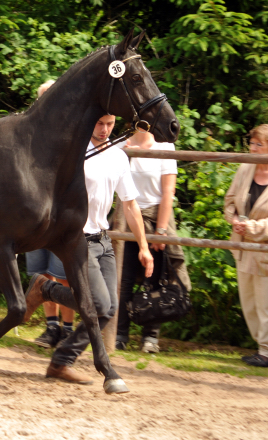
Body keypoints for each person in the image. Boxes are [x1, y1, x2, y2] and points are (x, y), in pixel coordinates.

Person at [23, 114, 154, 385]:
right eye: (99, 124)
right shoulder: (74, 151)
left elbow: (129, 204)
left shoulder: (118, 157)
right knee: (98, 304)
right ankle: (46, 292)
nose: (105, 130)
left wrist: (143, 245)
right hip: (76, 238)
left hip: (103, 239)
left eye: (110, 124)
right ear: (89, 121)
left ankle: (60, 360)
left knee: (108, 309)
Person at [115, 126, 191, 353]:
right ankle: (119, 333)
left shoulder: (164, 146)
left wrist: (161, 230)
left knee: (156, 279)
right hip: (128, 216)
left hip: (157, 216)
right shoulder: (121, 146)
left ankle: (150, 337)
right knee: (124, 279)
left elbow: (168, 192)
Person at [26, 80, 76, 349]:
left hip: (60, 217)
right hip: (34, 215)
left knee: (65, 275)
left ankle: (68, 331)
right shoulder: (30, 135)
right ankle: (51, 328)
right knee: (42, 274)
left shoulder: (72, 135)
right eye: (43, 98)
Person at [224, 124, 268, 368]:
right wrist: (234, 219)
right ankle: (261, 349)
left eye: (259, 144)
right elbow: (229, 201)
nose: (253, 148)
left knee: (266, 302)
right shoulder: (244, 168)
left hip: (264, 248)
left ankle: (266, 351)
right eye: (251, 143)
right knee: (249, 302)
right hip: (243, 248)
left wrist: (252, 227)